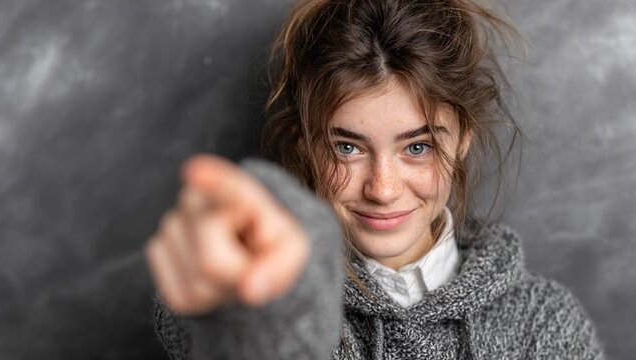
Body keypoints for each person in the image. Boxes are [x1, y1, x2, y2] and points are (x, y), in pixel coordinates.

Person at [146, 0, 606, 359]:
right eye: (347, 147)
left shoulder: (543, 322)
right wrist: (252, 308)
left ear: (463, 137)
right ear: (305, 143)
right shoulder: (259, 302)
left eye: (417, 147)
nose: (382, 189)